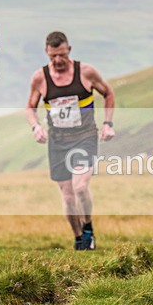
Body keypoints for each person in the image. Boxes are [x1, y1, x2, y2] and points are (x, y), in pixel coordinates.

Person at [26, 32, 115, 250]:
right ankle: (79, 239)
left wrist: (107, 123)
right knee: (67, 197)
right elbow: (30, 107)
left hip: (85, 137)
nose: (58, 61)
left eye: (62, 55)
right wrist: (36, 126)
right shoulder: (40, 78)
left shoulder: (86, 72)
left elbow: (108, 94)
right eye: (53, 56)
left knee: (80, 187)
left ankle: (88, 228)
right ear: (47, 53)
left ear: (69, 50)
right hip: (58, 141)